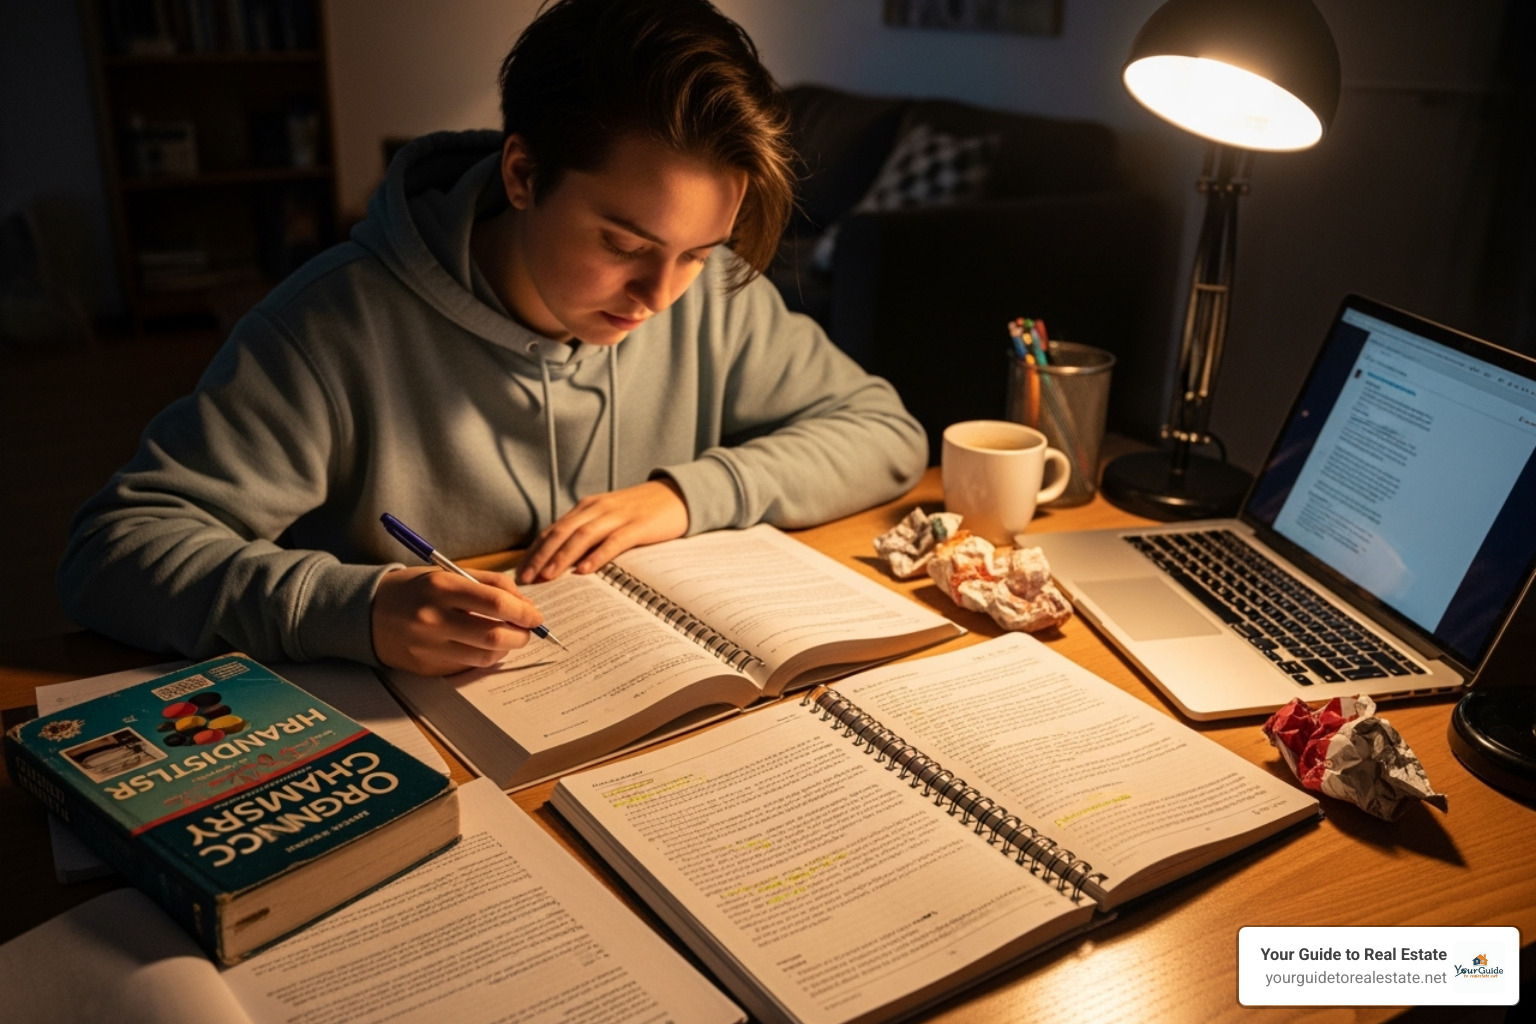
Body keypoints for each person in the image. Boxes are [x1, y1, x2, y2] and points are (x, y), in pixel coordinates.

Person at [58, 0, 927, 676]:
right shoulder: (331, 327)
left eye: (697, 253)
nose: (660, 295)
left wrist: (693, 493)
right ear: (522, 173)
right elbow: (113, 555)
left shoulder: (712, 300)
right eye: (621, 244)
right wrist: (352, 609)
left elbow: (884, 433)